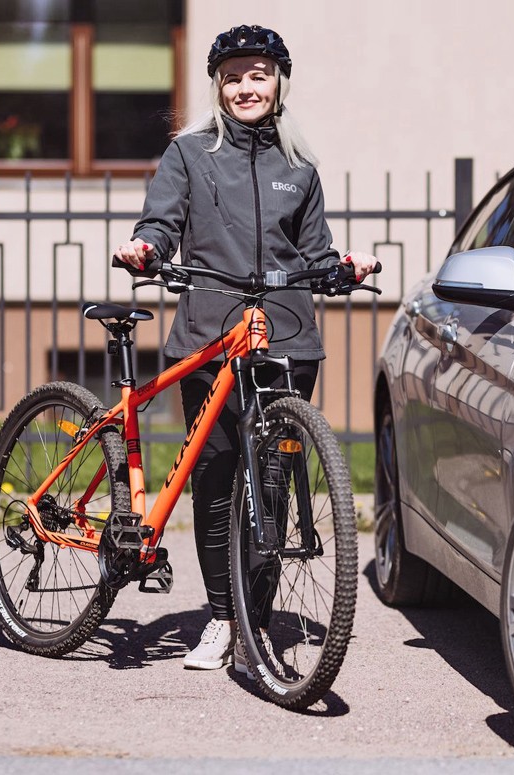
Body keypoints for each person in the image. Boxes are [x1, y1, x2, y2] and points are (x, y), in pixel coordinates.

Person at [113, 24, 377, 672]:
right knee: (216, 481)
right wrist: (147, 248)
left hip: (286, 340)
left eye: (257, 75)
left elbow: (314, 250)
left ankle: (254, 622)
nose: (245, 88)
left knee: (274, 489)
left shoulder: (300, 168)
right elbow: (162, 222)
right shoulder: (189, 154)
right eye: (232, 78)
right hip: (210, 334)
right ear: (218, 88)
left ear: (278, 83)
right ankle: (221, 618)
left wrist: (342, 266)